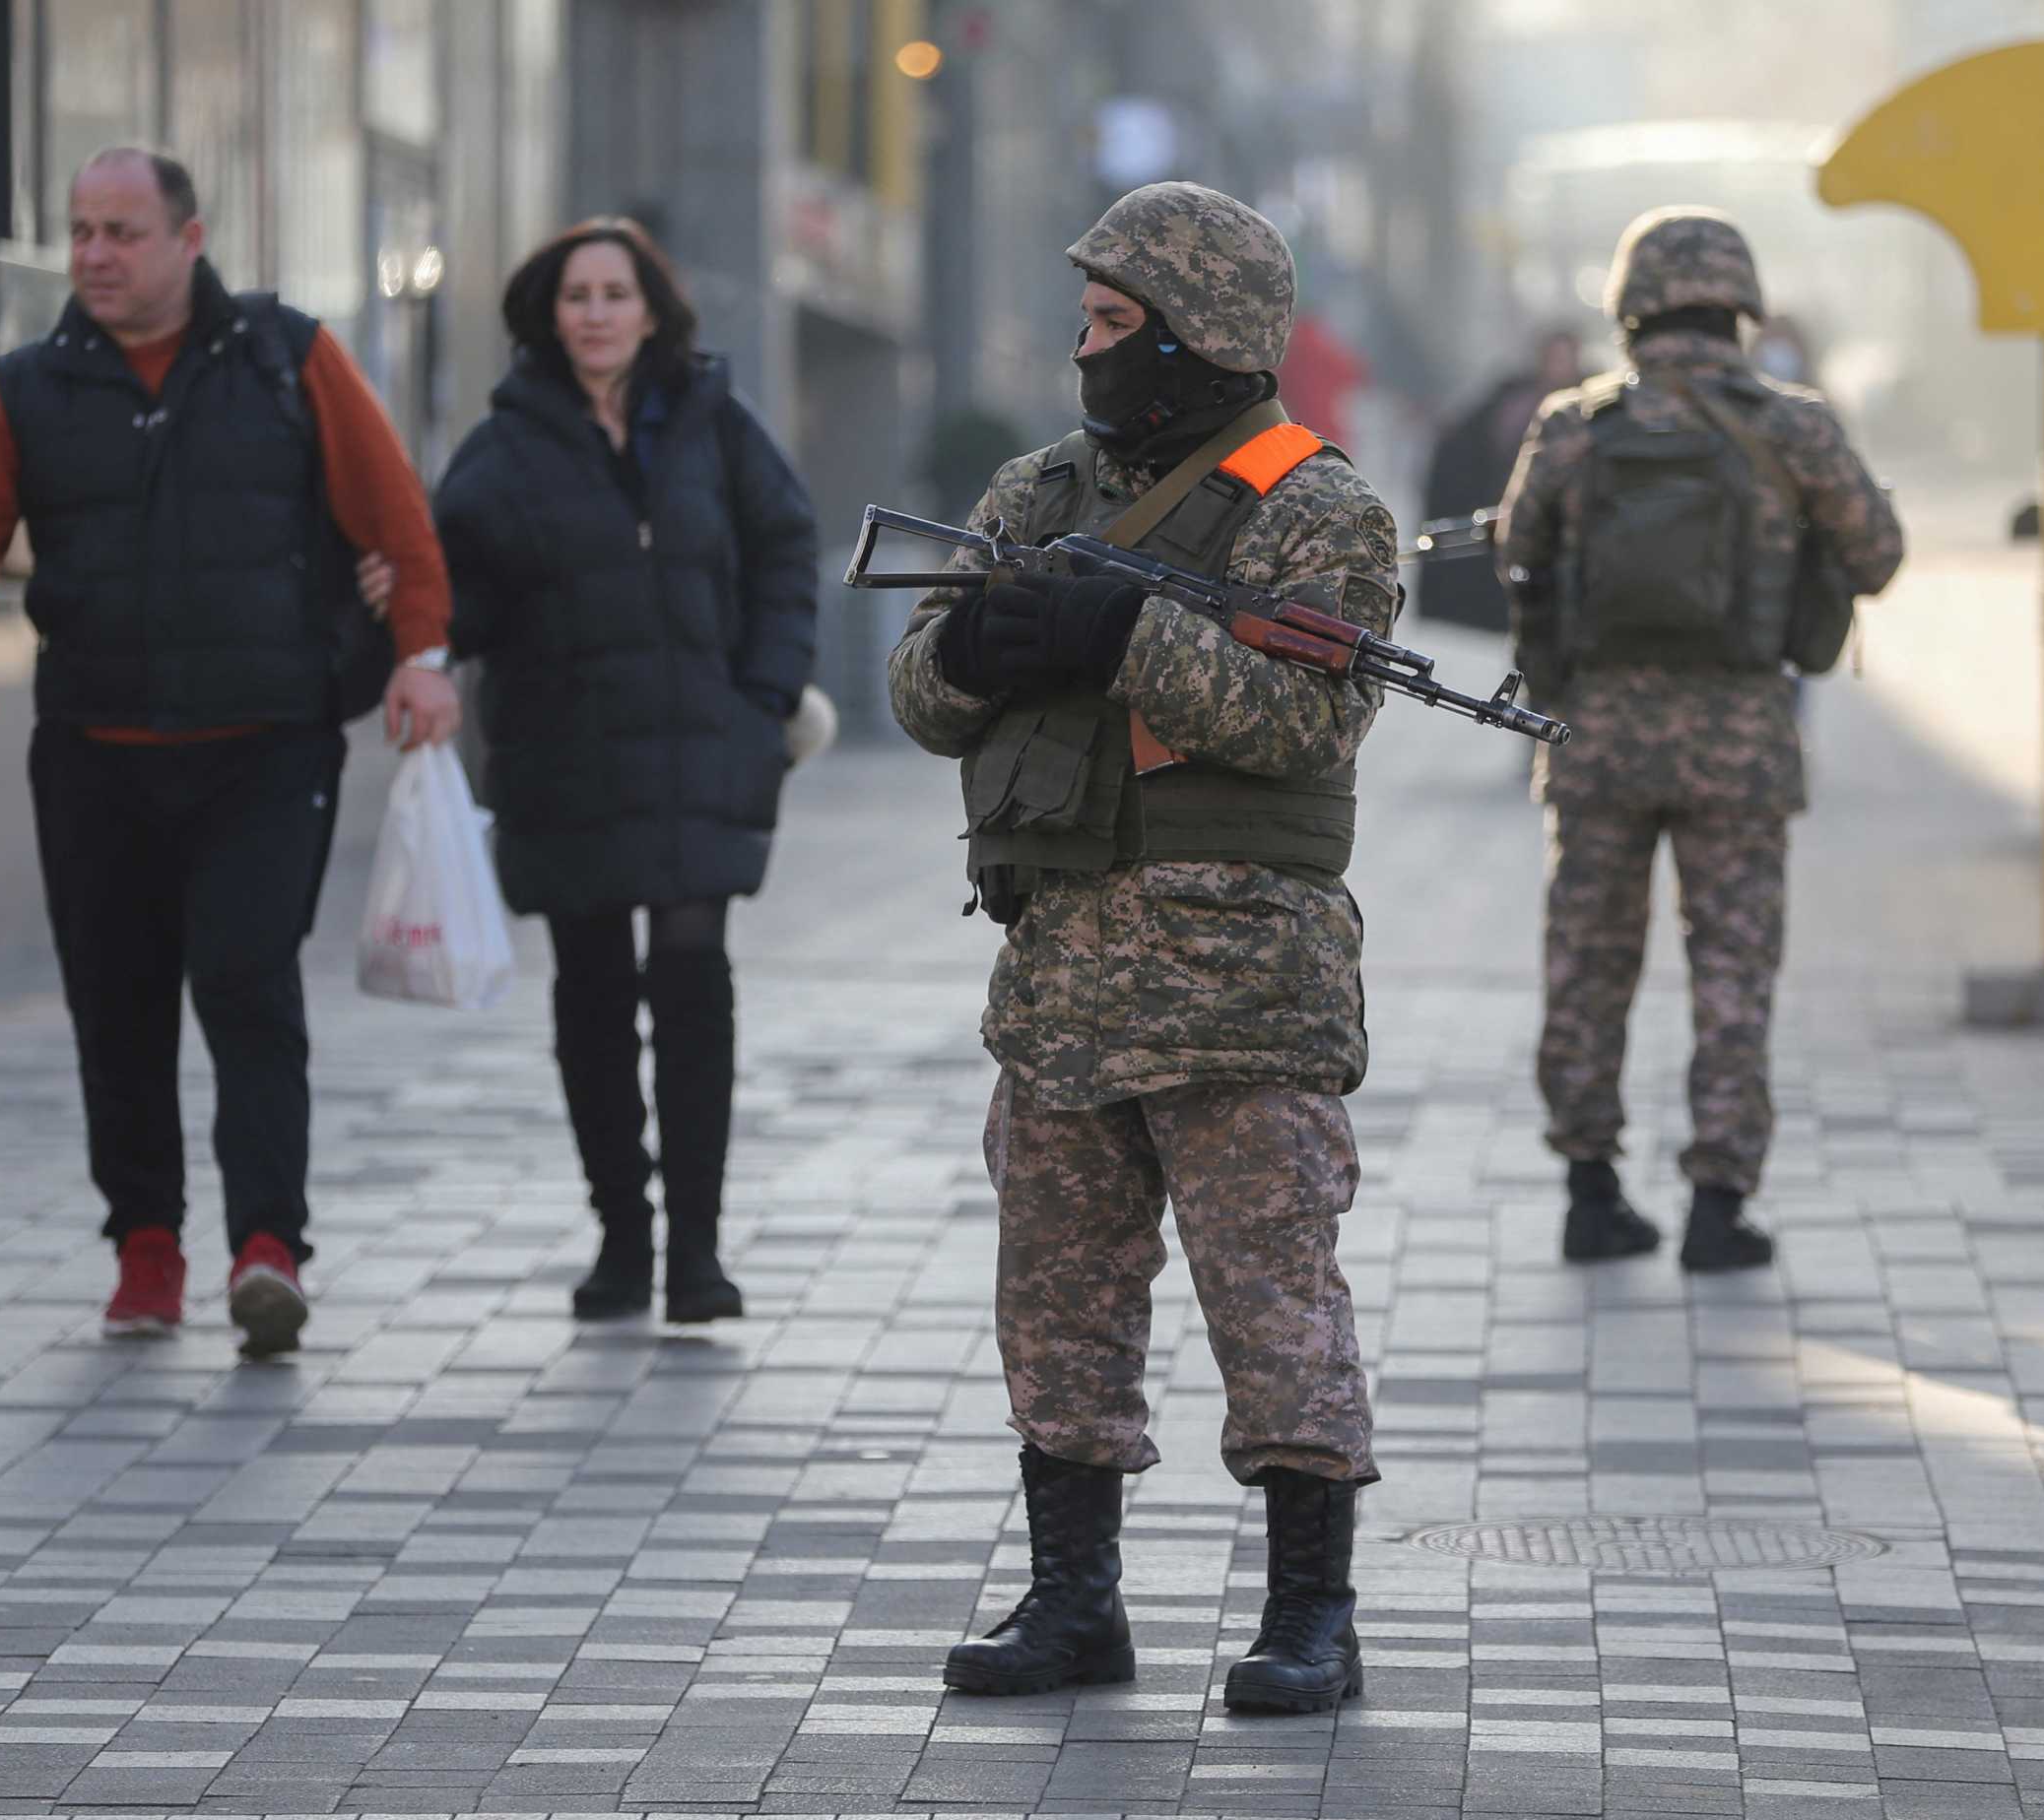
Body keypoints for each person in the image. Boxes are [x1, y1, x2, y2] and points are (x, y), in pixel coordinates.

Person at [889, 181, 1396, 1715]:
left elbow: (1315, 714)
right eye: (1089, 321)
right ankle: (1073, 1605)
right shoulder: (1041, 491)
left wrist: (1132, 636)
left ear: (1197, 336)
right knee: (1057, 1304)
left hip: (1244, 984)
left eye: (1113, 326)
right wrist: (979, 645)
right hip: (1058, 984)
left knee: (1272, 1300)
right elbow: (921, 695)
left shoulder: (1320, 507)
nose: (1085, 352)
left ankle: (1311, 1615)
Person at [0, 148, 460, 1357]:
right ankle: (144, 1248)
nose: (95, 253)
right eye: (80, 230)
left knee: (245, 984)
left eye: (121, 230)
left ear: (188, 237)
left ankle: (268, 1247)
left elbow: (393, 514)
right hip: (94, 751)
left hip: (266, 748)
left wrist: (422, 655)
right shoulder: (25, 390)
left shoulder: (287, 357)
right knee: (115, 1005)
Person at [1495, 207, 1902, 1272]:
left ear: (1630, 307)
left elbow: (1514, 552)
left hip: (1598, 739)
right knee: (1730, 969)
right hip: (1741, 743)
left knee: (1586, 964)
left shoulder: (1575, 422)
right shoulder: (1791, 423)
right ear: (1739, 304)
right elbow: (1876, 555)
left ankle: (1591, 1195)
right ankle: (1718, 1210)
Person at [428, 218, 817, 1326]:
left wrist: (766, 698)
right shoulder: (504, 448)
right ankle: (621, 1240)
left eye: (614, 291)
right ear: (547, 318)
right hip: (564, 757)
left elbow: (788, 545)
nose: (594, 312)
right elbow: (457, 593)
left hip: (704, 748)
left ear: (653, 308)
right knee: (592, 997)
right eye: (574, 296)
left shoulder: (713, 423)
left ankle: (697, 1249)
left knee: (694, 991)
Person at [1412, 327, 1581, 633]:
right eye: (1552, 357)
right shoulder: (1513, 399)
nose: (1557, 365)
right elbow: (1463, 445)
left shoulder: (1591, 405)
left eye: (1564, 358)